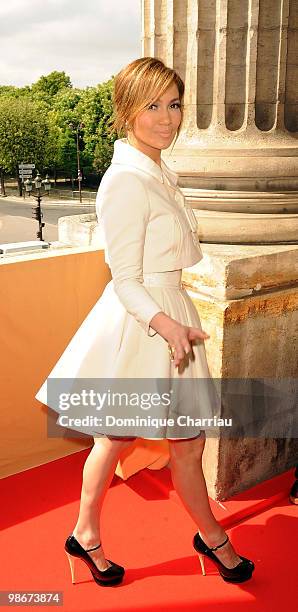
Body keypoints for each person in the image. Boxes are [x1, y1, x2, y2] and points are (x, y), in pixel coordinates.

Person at [35, 57, 254, 586]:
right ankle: (105, 536)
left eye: (174, 104)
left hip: (168, 312)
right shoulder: (126, 180)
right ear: (127, 110)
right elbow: (125, 277)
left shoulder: (155, 168)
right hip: (148, 321)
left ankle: (186, 533)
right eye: (152, 105)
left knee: (166, 439)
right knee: (121, 439)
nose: (166, 117)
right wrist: (168, 325)